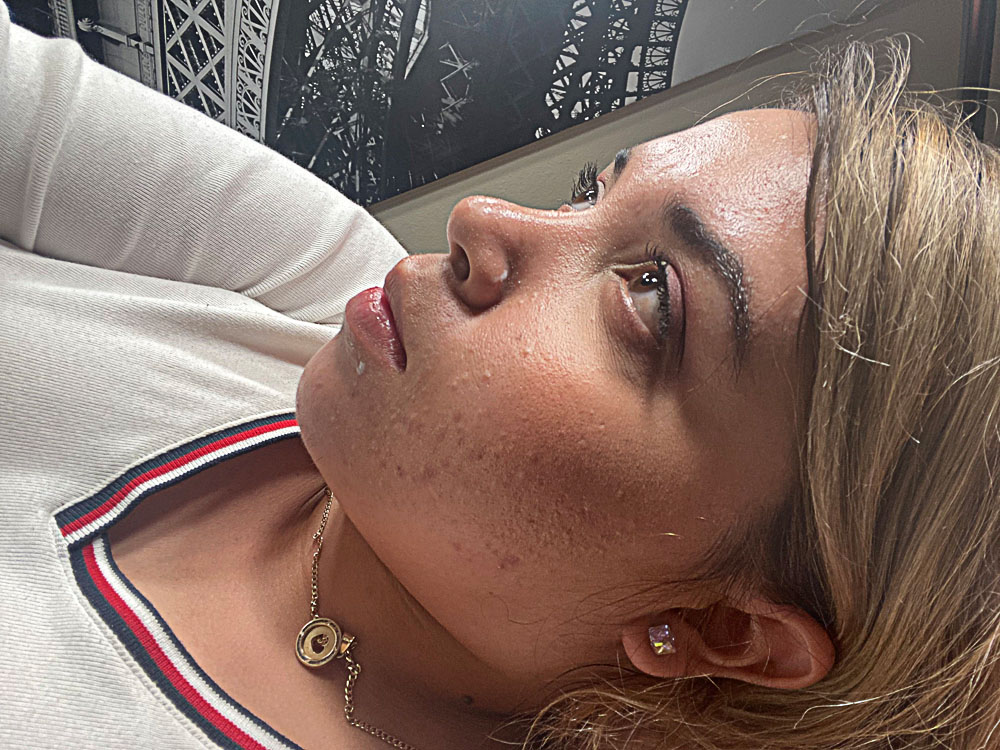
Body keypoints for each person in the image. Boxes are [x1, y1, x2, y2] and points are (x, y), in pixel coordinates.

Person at [2, 1, 998, 746]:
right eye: (588, 193)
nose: (481, 221)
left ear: (723, 628)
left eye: (651, 296)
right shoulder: (340, 297)